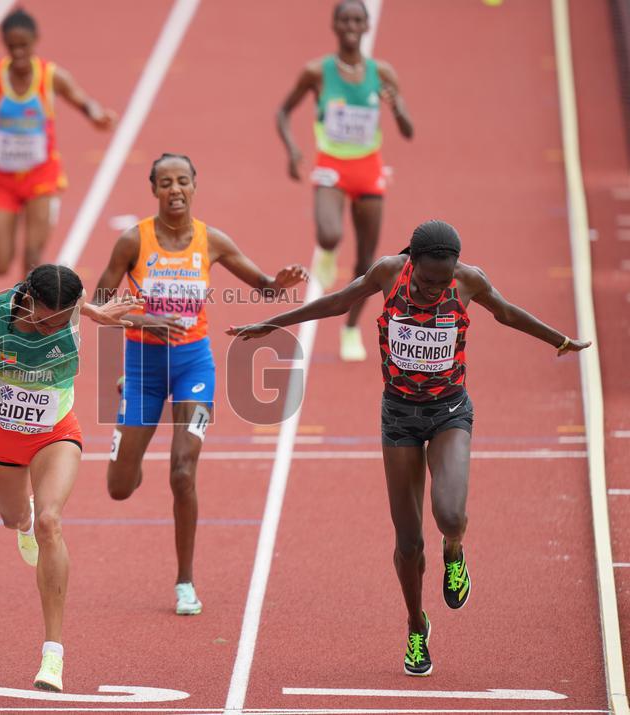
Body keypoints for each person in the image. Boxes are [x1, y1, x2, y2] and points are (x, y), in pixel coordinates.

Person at [228, 219, 591, 676]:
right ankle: (417, 625)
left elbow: (507, 312)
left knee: (450, 516)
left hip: (449, 411)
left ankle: (455, 552)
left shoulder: (468, 281)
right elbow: (339, 301)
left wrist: (557, 339)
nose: (433, 290)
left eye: (442, 282)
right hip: (398, 416)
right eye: (426, 280)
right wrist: (272, 324)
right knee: (408, 542)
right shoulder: (387, 272)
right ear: (411, 263)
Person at [93, 153, 308, 616]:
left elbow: (264, 286)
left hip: (195, 366)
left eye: (183, 181)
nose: (175, 189)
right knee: (119, 488)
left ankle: (185, 581)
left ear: (194, 186)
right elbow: (97, 303)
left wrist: (279, 282)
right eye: (166, 182)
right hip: (144, 368)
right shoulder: (134, 241)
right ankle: (127, 428)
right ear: (153, 189)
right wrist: (146, 319)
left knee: (183, 472)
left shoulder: (212, 241)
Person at [0, 264, 138, 692]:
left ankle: (53, 654)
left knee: (52, 522)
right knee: (16, 519)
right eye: (50, 318)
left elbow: (78, 305)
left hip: (56, 434)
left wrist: (97, 314)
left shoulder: (68, 310)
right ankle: (22, 521)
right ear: (29, 300)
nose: (57, 326)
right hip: (2, 440)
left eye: (66, 316)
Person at [276, 0, 414, 362]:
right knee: (329, 234)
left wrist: (395, 106)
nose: (351, 26)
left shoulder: (382, 73)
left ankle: (351, 328)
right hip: (331, 165)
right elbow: (283, 112)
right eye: (345, 20)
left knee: (368, 261)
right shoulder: (316, 72)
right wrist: (292, 150)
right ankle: (327, 252)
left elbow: (408, 131)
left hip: (368, 169)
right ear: (335, 26)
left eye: (358, 19)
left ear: (366, 26)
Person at [0, 8, 118, 277]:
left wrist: (97, 116)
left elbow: (82, 100)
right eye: (12, 46)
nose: (18, 53)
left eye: (23, 46)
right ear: (4, 43)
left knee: (33, 257)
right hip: (1, 179)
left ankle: (25, 313)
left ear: (35, 40)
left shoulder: (51, 76)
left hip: (42, 176)